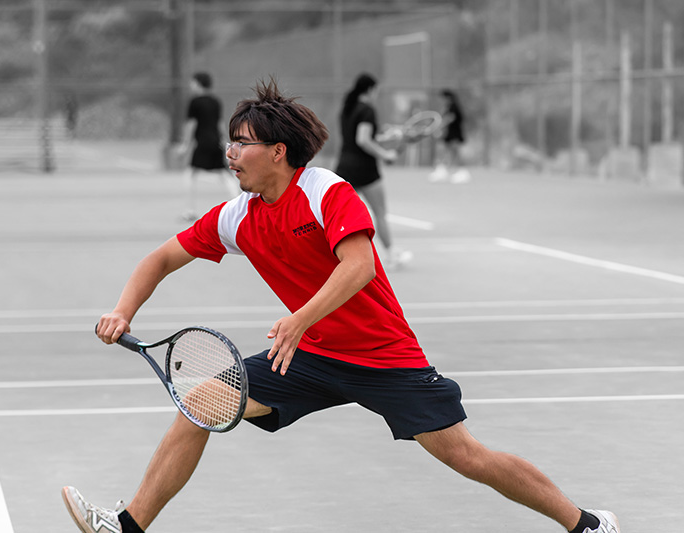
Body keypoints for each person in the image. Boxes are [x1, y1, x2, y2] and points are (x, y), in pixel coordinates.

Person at [62, 79, 620, 533]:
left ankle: (588, 525)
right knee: (202, 403)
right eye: (229, 142)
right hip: (307, 356)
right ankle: (127, 527)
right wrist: (123, 310)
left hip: (382, 356)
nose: (231, 153)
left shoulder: (325, 191)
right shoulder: (237, 216)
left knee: (465, 456)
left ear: (277, 152)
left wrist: (301, 317)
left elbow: (361, 267)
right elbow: (161, 258)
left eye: (243, 143)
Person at [335, 73, 412, 270]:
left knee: (336, 216)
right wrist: (385, 155)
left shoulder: (347, 108)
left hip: (344, 166)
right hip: (365, 170)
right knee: (380, 213)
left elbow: (362, 138)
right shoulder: (367, 109)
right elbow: (363, 140)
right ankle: (391, 255)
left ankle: (326, 256)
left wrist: (387, 138)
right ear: (370, 89)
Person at [176, 71, 238, 221]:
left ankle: (189, 211)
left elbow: (191, 124)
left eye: (193, 83)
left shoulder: (195, 102)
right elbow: (219, 123)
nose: (191, 85)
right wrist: (223, 140)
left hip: (203, 143)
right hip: (215, 141)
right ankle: (240, 206)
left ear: (198, 84)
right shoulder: (215, 101)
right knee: (225, 174)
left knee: (190, 174)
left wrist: (185, 145)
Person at [430, 88, 471, 184]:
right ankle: (444, 169)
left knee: (455, 151)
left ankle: (462, 171)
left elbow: (450, 118)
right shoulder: (448, 106)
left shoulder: (453, 106)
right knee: (447, 151)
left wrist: (439, 127)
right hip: (449, 133)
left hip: (454, 133)